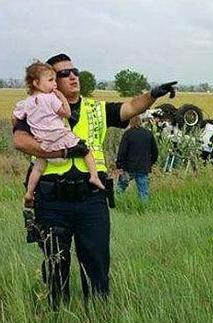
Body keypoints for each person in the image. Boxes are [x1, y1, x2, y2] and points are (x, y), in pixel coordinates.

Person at [11, 53, 177, 308]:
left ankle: (97, 312)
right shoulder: (36, 106)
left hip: (91, 199)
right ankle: (57, 312)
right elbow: (19, 141)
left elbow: (131, 107)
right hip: (52, 200)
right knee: (55, 264)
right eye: (63, 73)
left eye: (74, 70)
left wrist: (153, 94)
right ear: (51, 81)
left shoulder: (96, 109)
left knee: (97, 263)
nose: (73, 76)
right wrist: (62, 152)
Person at [13, 62, 105, 208]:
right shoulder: (50, 98)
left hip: (42, 142)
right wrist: (61, 96)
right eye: (51, 81)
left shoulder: (26, 103)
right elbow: (66, 113)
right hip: (59, 136)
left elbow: (16, 118)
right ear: (36, 83)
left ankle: (30, 193)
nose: (54, 84)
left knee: (38, 167)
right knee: (85, 150)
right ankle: (94, 176)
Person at [116, 115, 158, 201]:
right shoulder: (148, 134)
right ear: (140, 122)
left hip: (128, 167)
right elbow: (155, 151)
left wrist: (119, 166)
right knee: (143, 192)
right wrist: (150, 163)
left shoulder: (127, 134)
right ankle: (143, 210)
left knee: (120, 188)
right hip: (143, 167)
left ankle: (117, 205)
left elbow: (122, 152)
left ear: (130, 123)